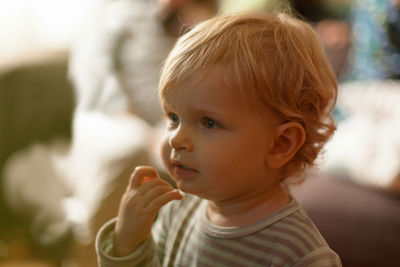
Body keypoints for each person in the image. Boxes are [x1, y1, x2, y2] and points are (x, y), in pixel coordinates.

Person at [95, 11, 341, 266]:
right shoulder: (177, 211)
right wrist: (127, 242)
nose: (176, 140)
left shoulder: (299, 254)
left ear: (280, 144)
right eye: (174, 117)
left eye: (209, 123)